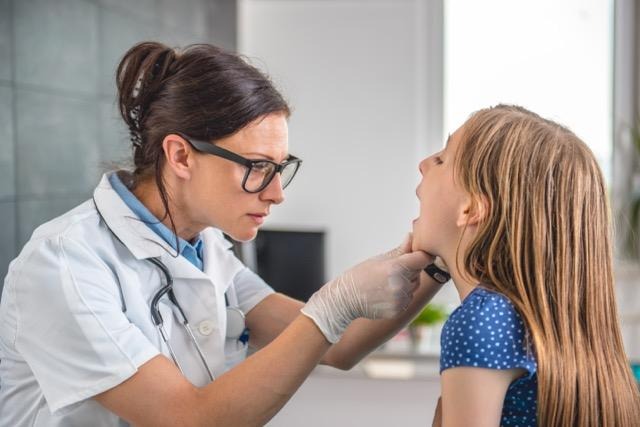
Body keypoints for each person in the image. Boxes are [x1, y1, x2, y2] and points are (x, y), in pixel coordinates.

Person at [0, 42, 445, 426]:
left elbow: (341, 346)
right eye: (257, 168)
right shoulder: (66, 264)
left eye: (280, 169)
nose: (276, 194)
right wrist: (332, 306)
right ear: (181, 156)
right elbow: (189, 418)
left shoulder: (205, 248)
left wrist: (435, 260)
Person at [413, 104, 640, 426]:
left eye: (441, 159)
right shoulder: (530, 314)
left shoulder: (481, 319)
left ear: (472, 208)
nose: (423, 164)